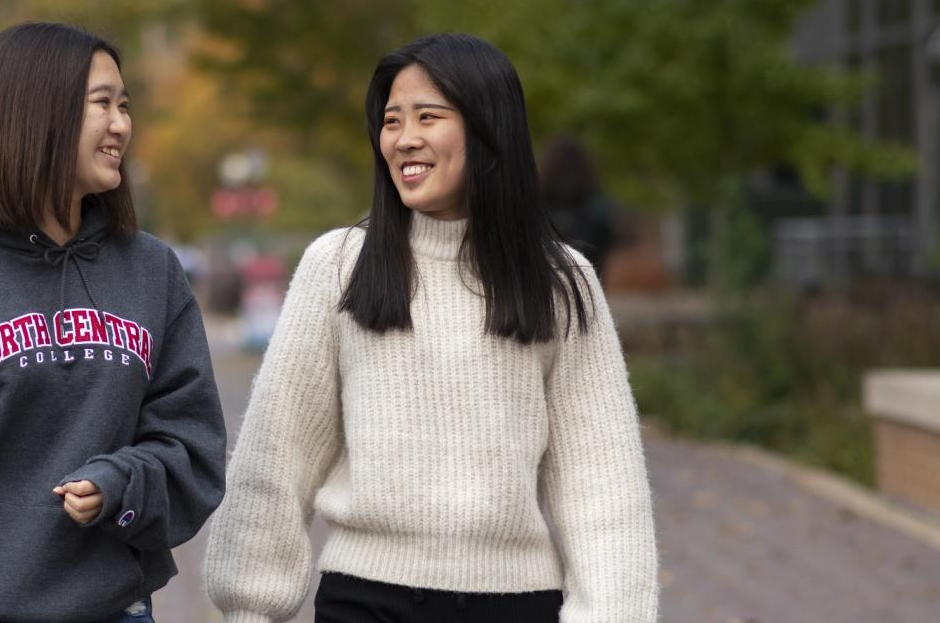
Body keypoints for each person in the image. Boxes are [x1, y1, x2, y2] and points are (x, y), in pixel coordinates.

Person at [204, 34, 657, 623]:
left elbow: (602, 486)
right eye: (392, 121)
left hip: (515, 607)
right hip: (365, 601)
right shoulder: (339, 265)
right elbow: (276, 458)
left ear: (487, 130)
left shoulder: (559, 281)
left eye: (428, 117)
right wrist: (249, 607)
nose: (404, 138)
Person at [0, 22, 227, 623]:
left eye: (125, 105)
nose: (122, 125)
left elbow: (196, 451)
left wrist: (121, 482)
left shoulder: (151, 271)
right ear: (37, 114)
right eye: (102, 104)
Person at [540, 134, 617, 281]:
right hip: (588, 277)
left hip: (548, 279)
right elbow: (607, 239)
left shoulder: (540, 203)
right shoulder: (594, 202)